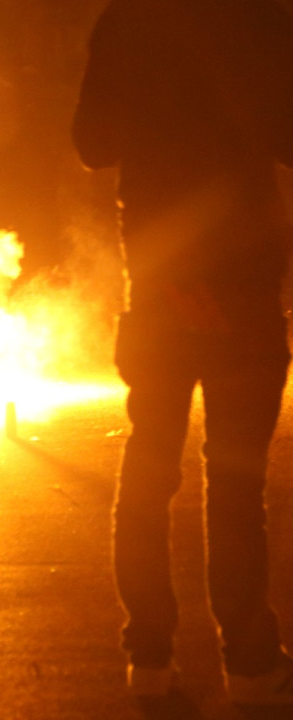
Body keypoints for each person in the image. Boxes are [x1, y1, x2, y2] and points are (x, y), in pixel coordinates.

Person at [73, 0, 293, 705]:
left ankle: (150, 655)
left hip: (161, 279)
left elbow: (91, 143)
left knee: (149, 469)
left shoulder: (128, 20)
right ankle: (251, 664)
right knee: (235, 484)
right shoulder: (259, 19)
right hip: (246, 281)